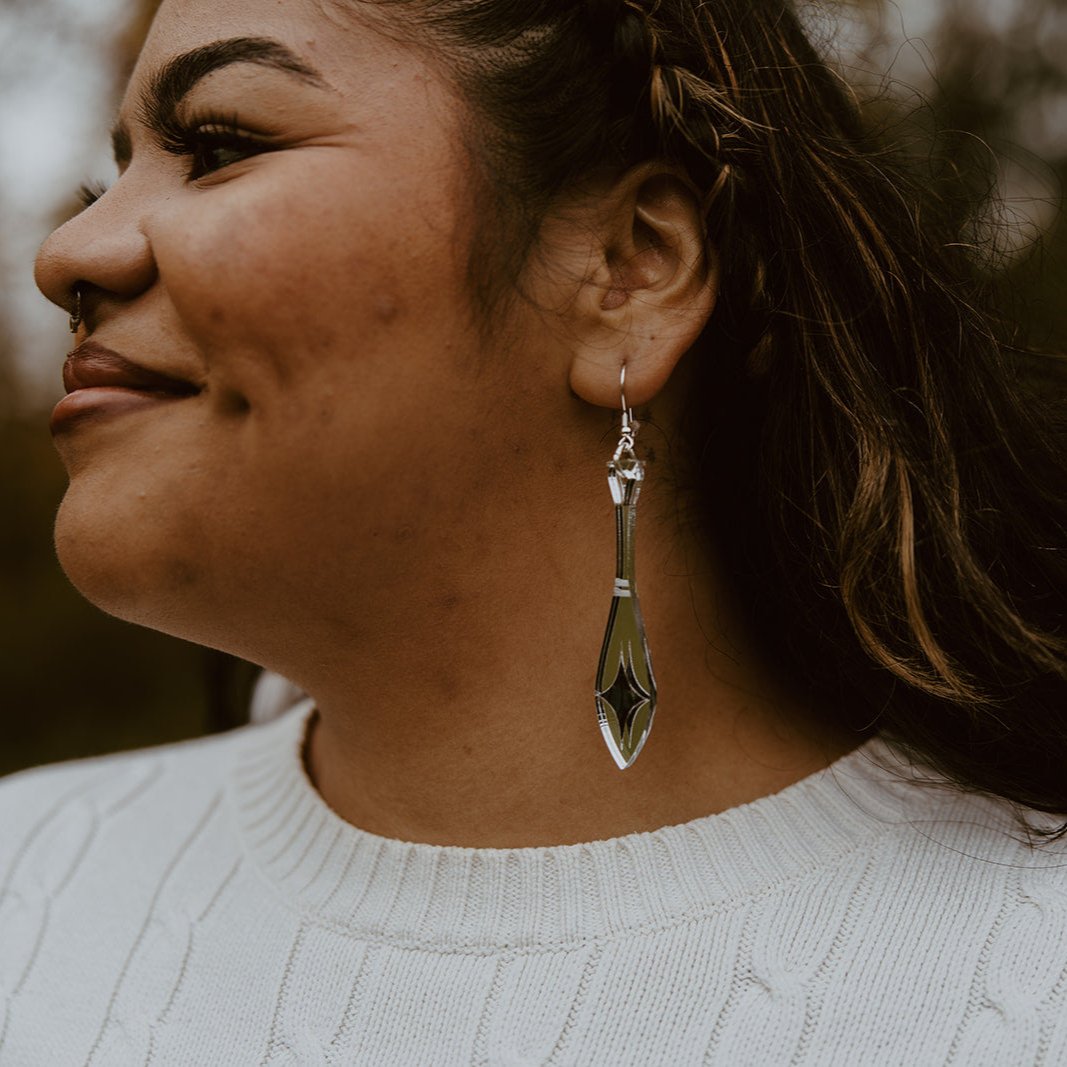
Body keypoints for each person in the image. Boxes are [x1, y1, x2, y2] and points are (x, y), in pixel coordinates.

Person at [3, 0, 1066, 1062]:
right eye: (110, 177)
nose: (69, 252)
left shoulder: (1026, 979)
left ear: (626, 270)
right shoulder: (26, 883)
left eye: (220, 147)